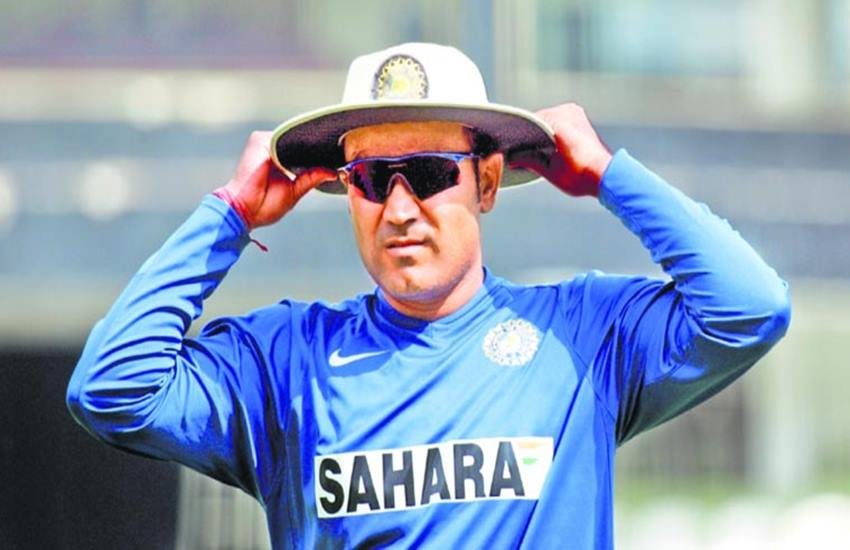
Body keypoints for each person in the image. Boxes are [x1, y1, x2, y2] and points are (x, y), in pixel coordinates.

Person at [66, 43, 791, 549]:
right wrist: (229, 214)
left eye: (429, 173)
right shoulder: (285, 361)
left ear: (486, 181)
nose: (400, 209)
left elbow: (751, 307)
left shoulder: (582, 337)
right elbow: (110, 388)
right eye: (371, 179)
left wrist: (608, 175)